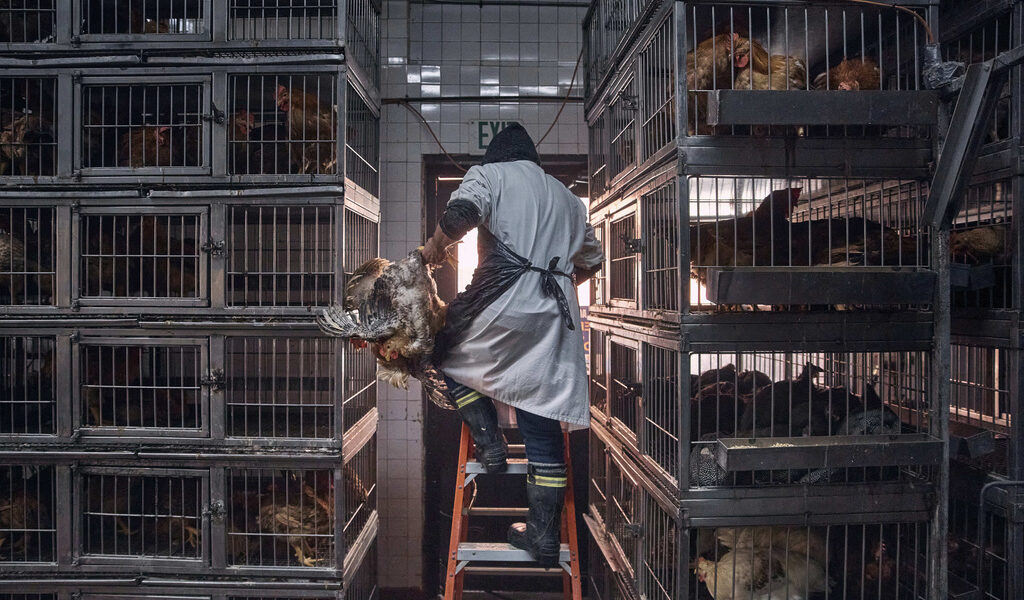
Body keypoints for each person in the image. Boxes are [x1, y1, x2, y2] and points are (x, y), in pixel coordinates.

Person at [421, 124, 603, 567]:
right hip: (554, 322)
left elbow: (459, 217)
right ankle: (543, 535)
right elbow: (592, 261)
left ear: (496, 156)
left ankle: (490, 442)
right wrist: (552, 284)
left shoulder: (491, 175)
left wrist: (431, 251)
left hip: (500, 305)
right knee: (541, 415)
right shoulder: (567, 198)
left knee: (437, 349)